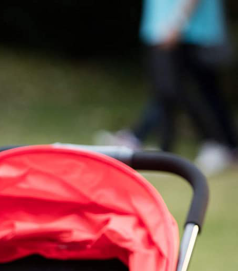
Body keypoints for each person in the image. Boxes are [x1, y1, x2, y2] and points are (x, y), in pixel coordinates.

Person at [96, 0, 236, 176]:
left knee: (187, 92)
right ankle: (152, 144)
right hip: (167, 28)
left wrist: (177, 22)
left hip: (184, 29)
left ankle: (216, 145)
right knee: (171, 92)